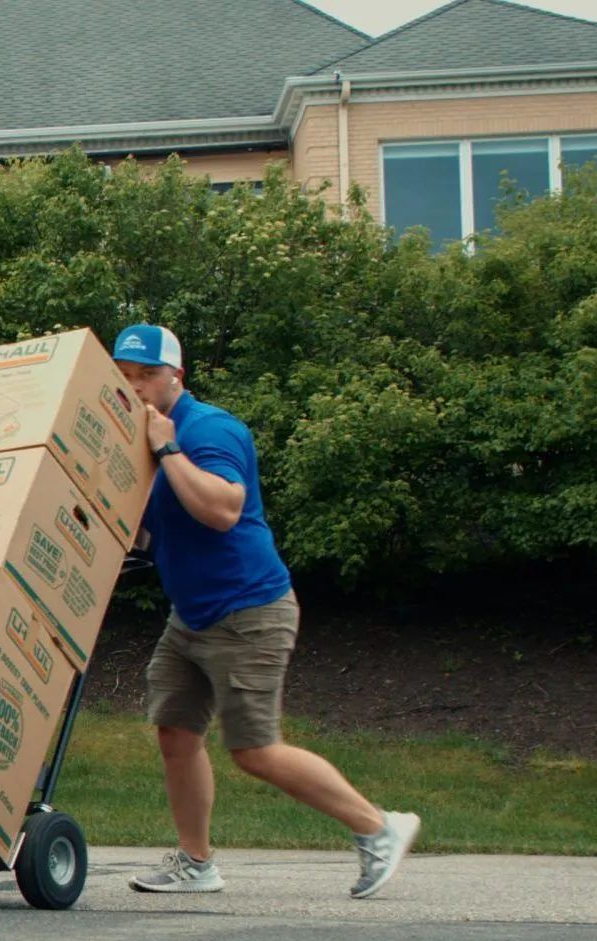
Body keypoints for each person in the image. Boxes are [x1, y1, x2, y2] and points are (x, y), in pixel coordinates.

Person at [111, 323, 421, 899]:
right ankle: (197, 863)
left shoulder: (209, 430)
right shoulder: (140, 445)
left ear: (176, 377)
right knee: (175, 732)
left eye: (146, 376)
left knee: (254, 749)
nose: (135, 389)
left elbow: (222, 511)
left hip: (249, 612)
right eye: (124, 378)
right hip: (192, 616)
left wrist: (166, 447)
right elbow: (155, 531)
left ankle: (380, 827)